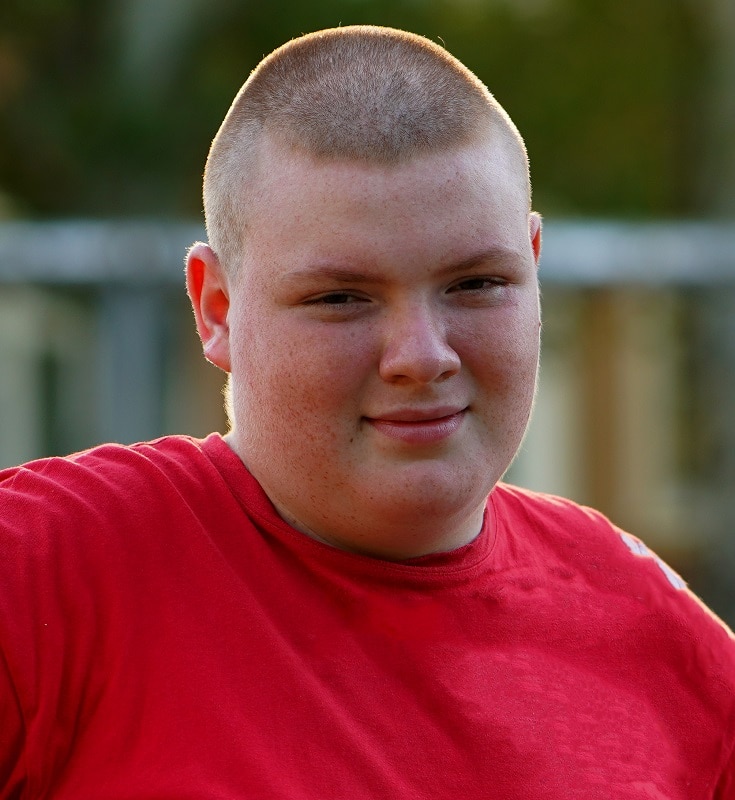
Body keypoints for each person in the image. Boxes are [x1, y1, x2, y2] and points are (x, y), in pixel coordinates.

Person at [0, 25, 733, 799]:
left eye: (476, 283)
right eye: (340, 298)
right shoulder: (49, 573)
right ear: (215, 308)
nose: (421, 355)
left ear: (534, 270)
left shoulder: (651, 636)